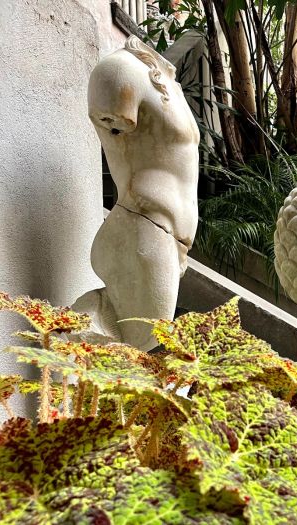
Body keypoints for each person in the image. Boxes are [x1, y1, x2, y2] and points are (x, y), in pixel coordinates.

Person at [76, 36, 201, 350]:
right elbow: (112, 114)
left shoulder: (165, 78)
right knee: (138, 346)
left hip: (163, 237)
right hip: (142, 230)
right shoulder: (122, 69)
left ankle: (72, 344)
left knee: (134, 343)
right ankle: (69, 352)